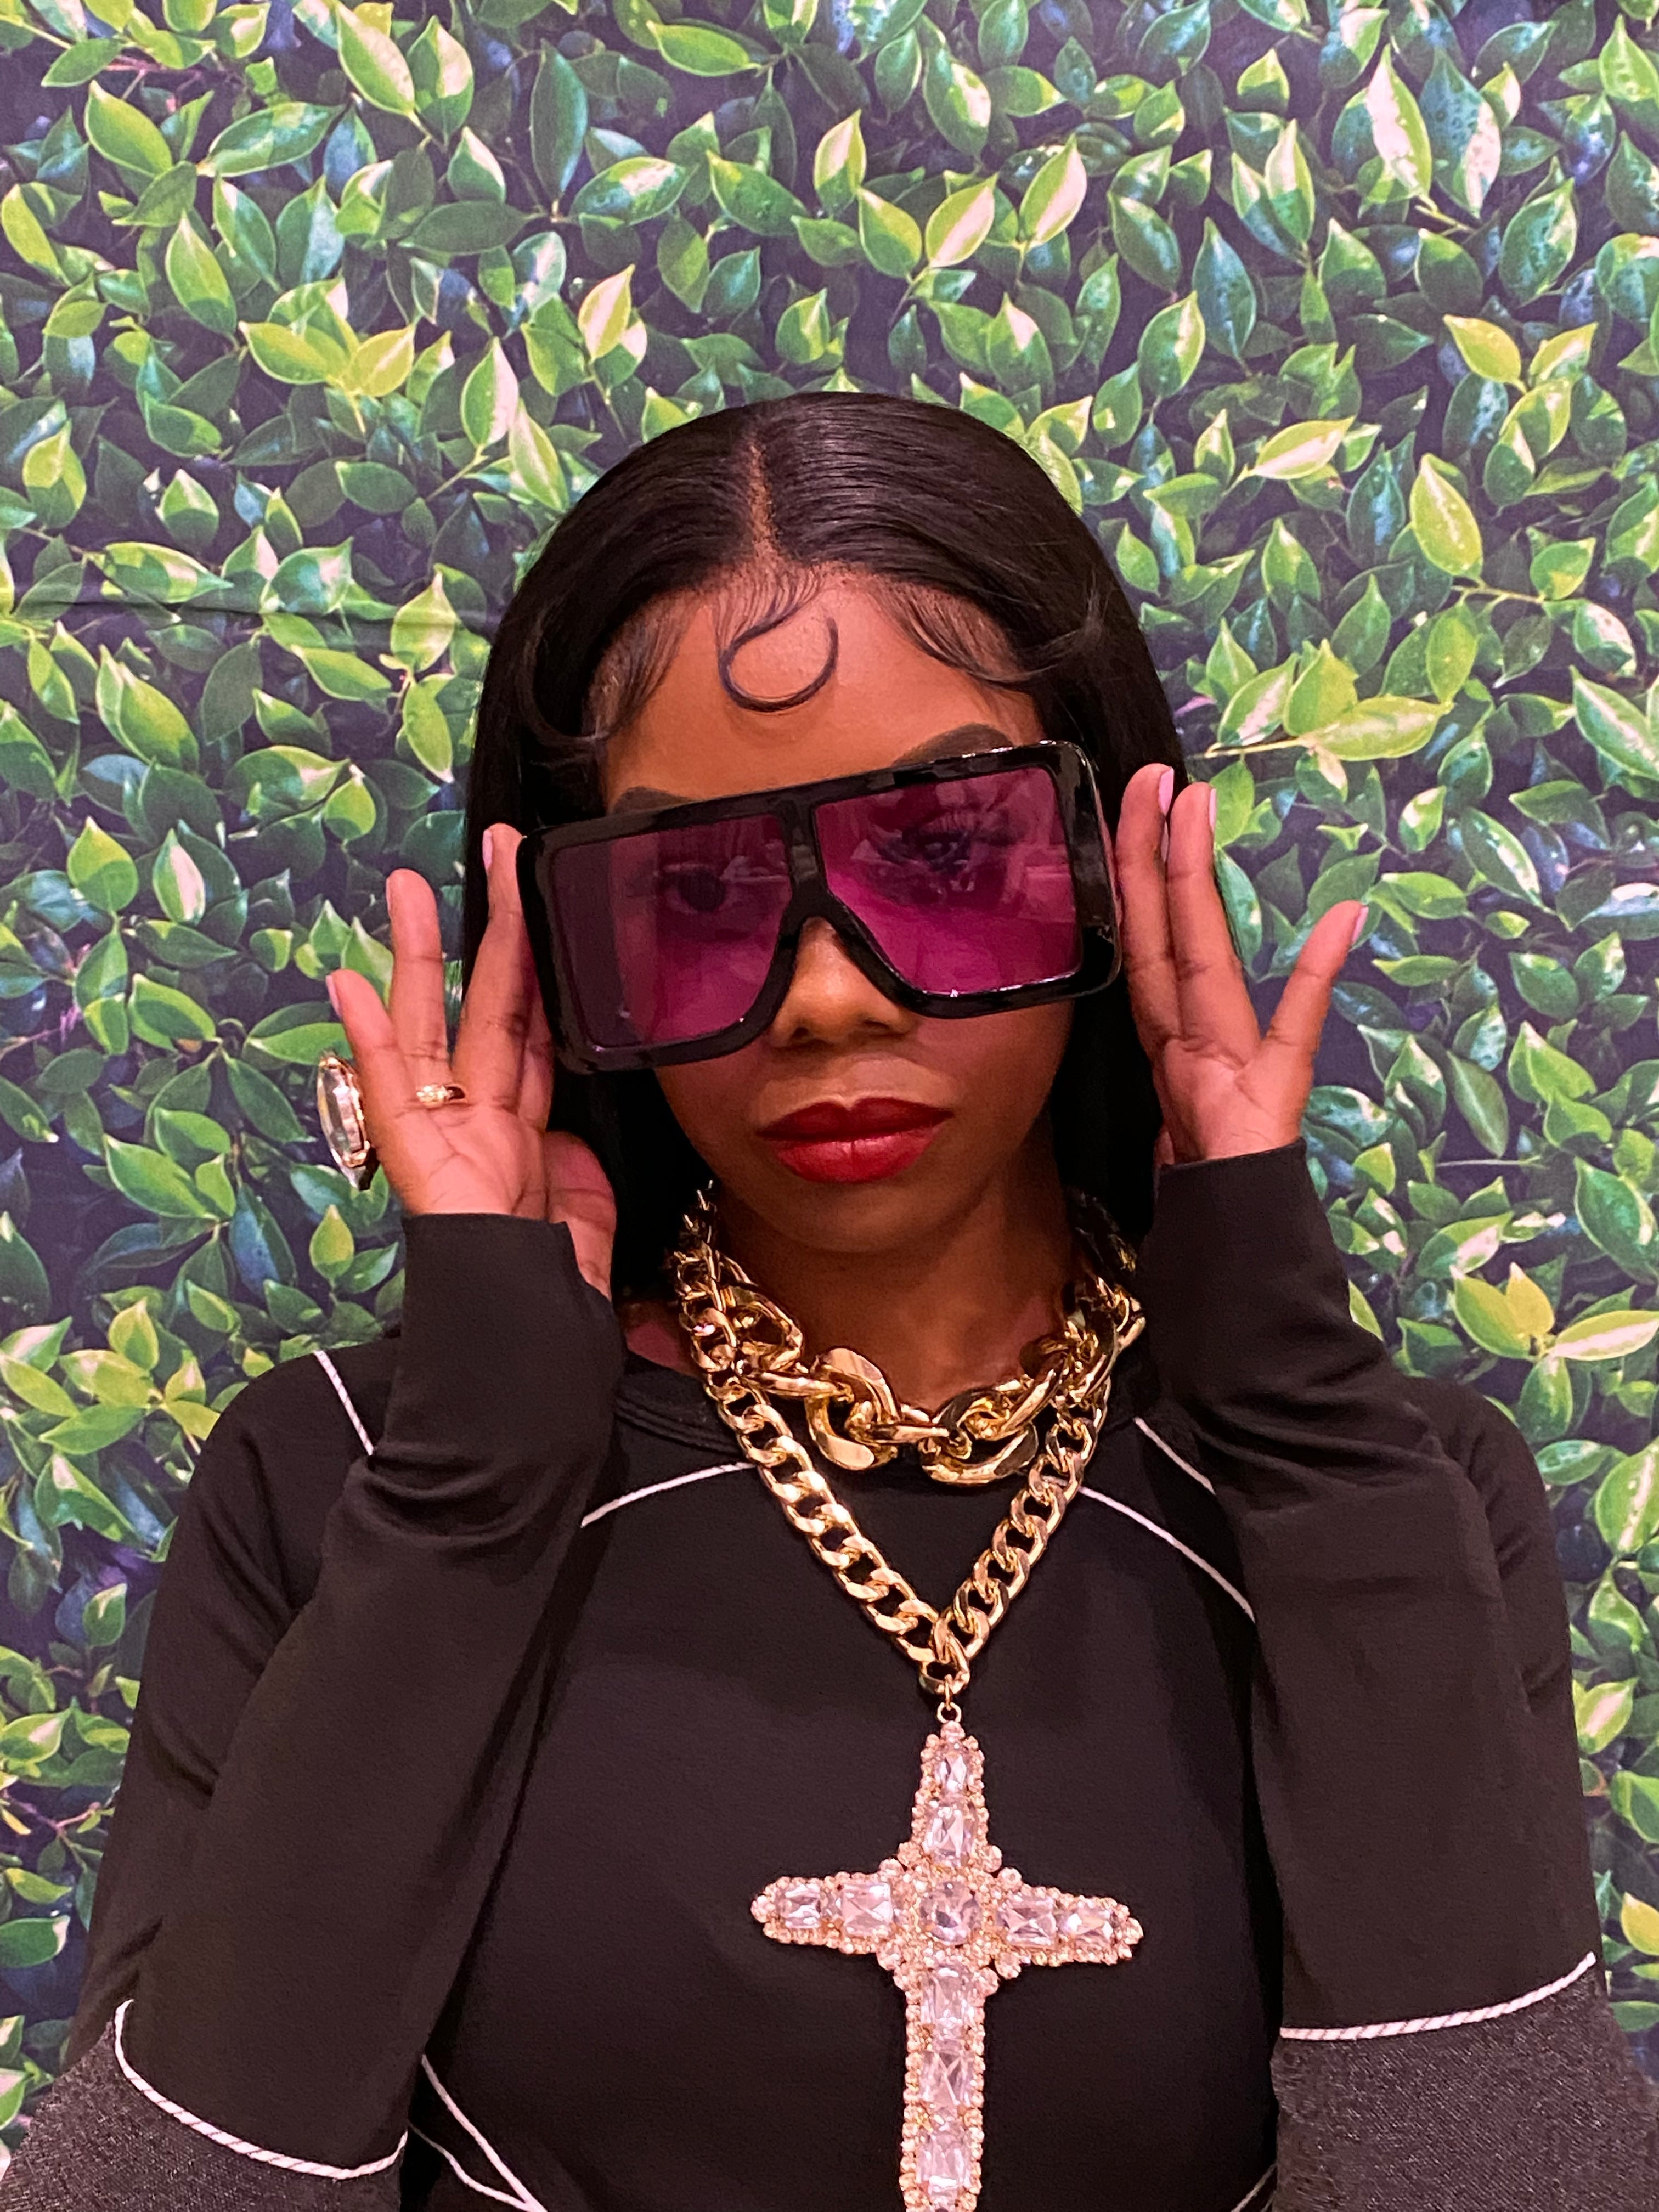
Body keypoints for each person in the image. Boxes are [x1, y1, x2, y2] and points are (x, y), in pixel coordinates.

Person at [4, 392, 1655, 2212]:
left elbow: (1513, 2177)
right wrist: (472, 1501)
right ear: (564, 940)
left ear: (1110, 863)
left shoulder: (1385, 1494)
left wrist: (1297, 1409)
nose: (826, 997)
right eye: (695, 892)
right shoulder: (342, 1482)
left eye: (943, 854)